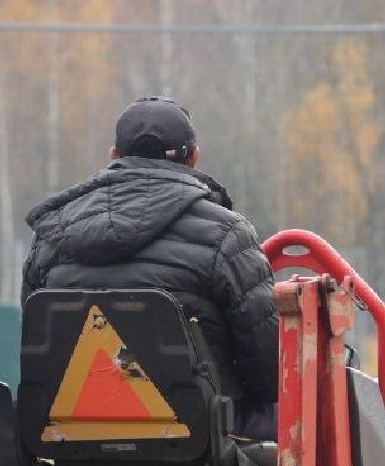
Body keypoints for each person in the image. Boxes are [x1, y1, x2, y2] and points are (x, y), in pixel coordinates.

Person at [21, 96, 279, 438]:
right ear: (194, 157)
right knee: (305, 411)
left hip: (71, 433)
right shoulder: (227, 235)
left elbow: (35, 347)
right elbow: (268, 368)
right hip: (199, 435)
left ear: (114, 155)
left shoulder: (51, 236)